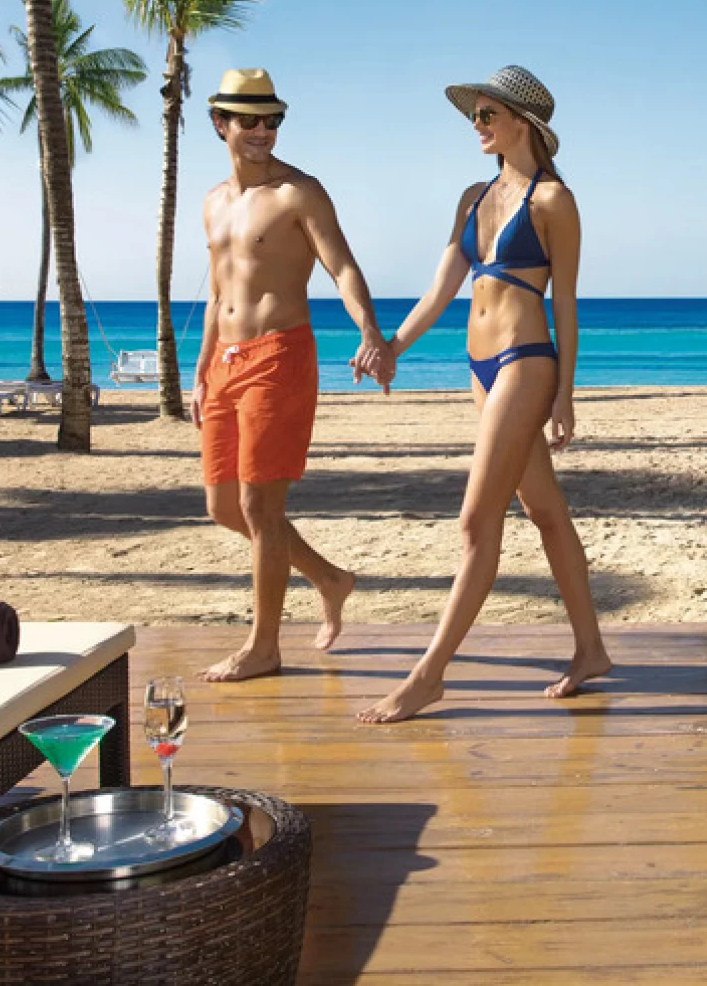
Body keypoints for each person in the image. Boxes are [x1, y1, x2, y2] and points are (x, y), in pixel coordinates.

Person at [358, 66, 609, 723]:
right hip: (477, 365)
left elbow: (569, 303)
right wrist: (391, 346)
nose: (476, 124)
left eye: (486, 114)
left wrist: (566, 395)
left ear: (520, 124)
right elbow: (441, 288)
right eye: (474, 115)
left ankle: (428, 674)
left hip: (527, 361)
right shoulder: (472, 196)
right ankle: (590, 649)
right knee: (545, 510)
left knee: (476, 522)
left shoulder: (555, 202)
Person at [194, 67, 392, 683]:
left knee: (258, 503)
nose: (261, 131)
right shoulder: (212, 202)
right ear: (220, 123)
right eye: (248, 120)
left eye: (272, 120)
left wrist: (369, 330)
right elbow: (218, 291)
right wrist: (201, 370)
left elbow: (344, 269)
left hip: (279, 355)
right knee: (224, 506)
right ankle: (330, 578)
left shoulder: (299, 193)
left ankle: (264, 646)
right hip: (224, 363)